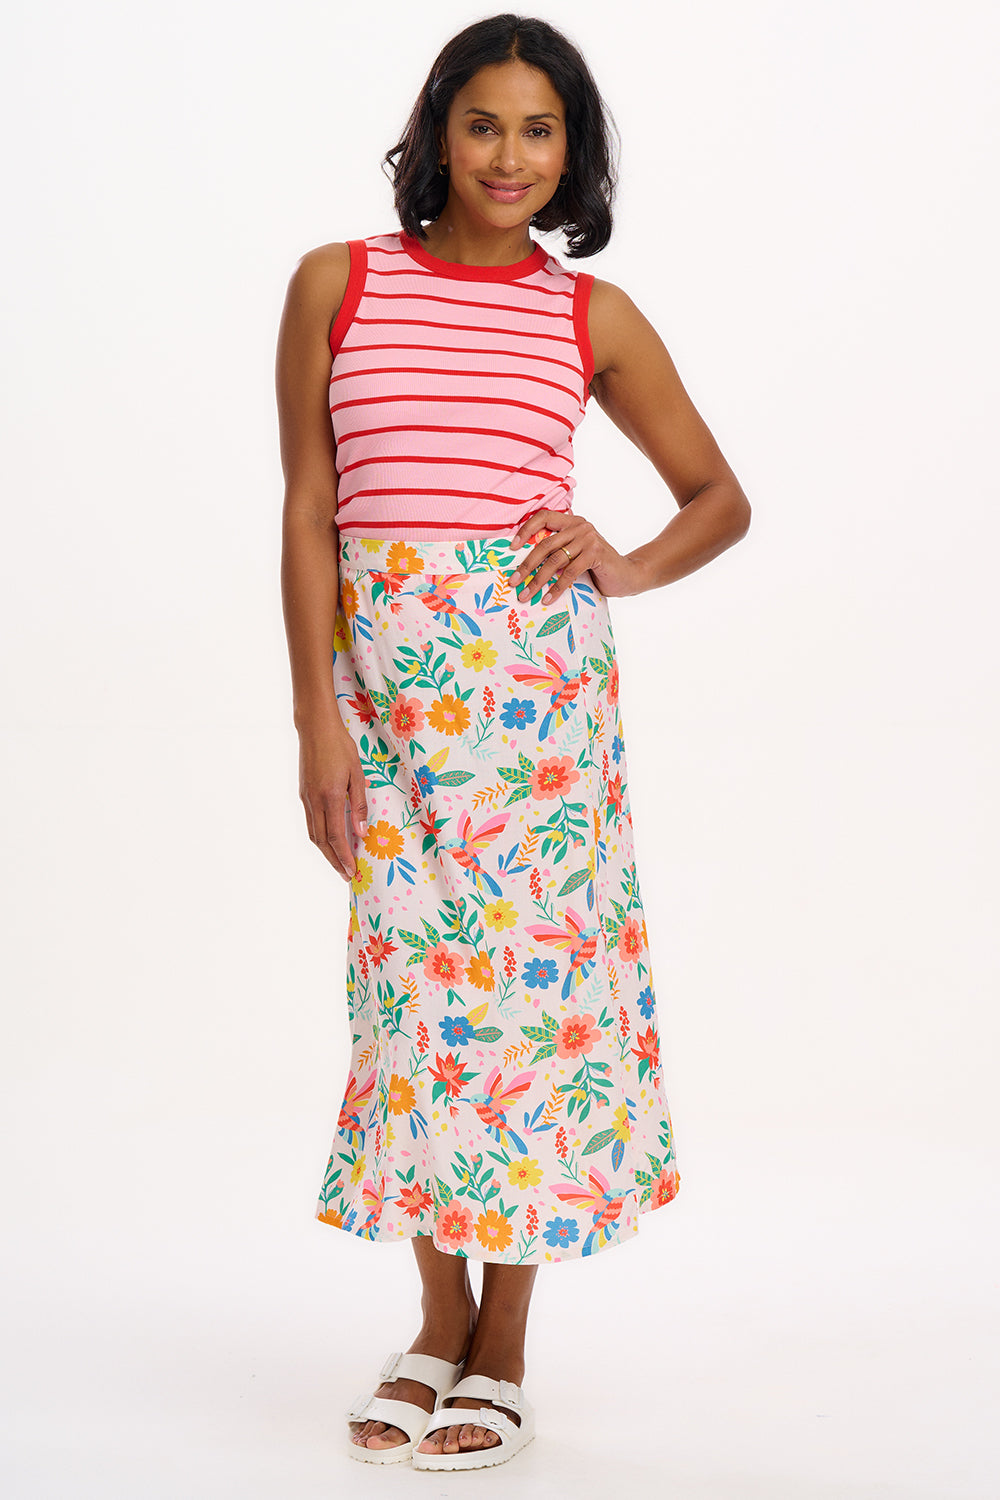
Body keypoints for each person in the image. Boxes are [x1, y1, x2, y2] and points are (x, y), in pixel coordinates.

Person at [275, 11, 750, 1474]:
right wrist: (314, 719)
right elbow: (310, 508)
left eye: (541, 130)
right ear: (438, 129)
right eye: (484, 123)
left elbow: (719, 497)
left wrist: (626, 564)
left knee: (534, 1017)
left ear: (572, 152)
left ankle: (505, 1345)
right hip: (386, 698)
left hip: (538, 712)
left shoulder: (587, 315)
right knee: (411, 1004)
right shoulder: (337, 281)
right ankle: (436, 1318)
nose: (508, 155)